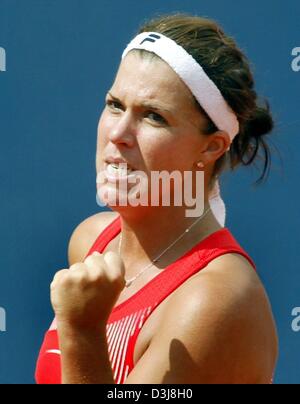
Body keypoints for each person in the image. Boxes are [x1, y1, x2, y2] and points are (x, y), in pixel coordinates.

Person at [36, 13, 278, 384]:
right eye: (115, 104)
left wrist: (83, 331)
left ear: (211, 147)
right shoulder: (91, 242)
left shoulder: (216, 301)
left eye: (153, 117)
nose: (118, 133)